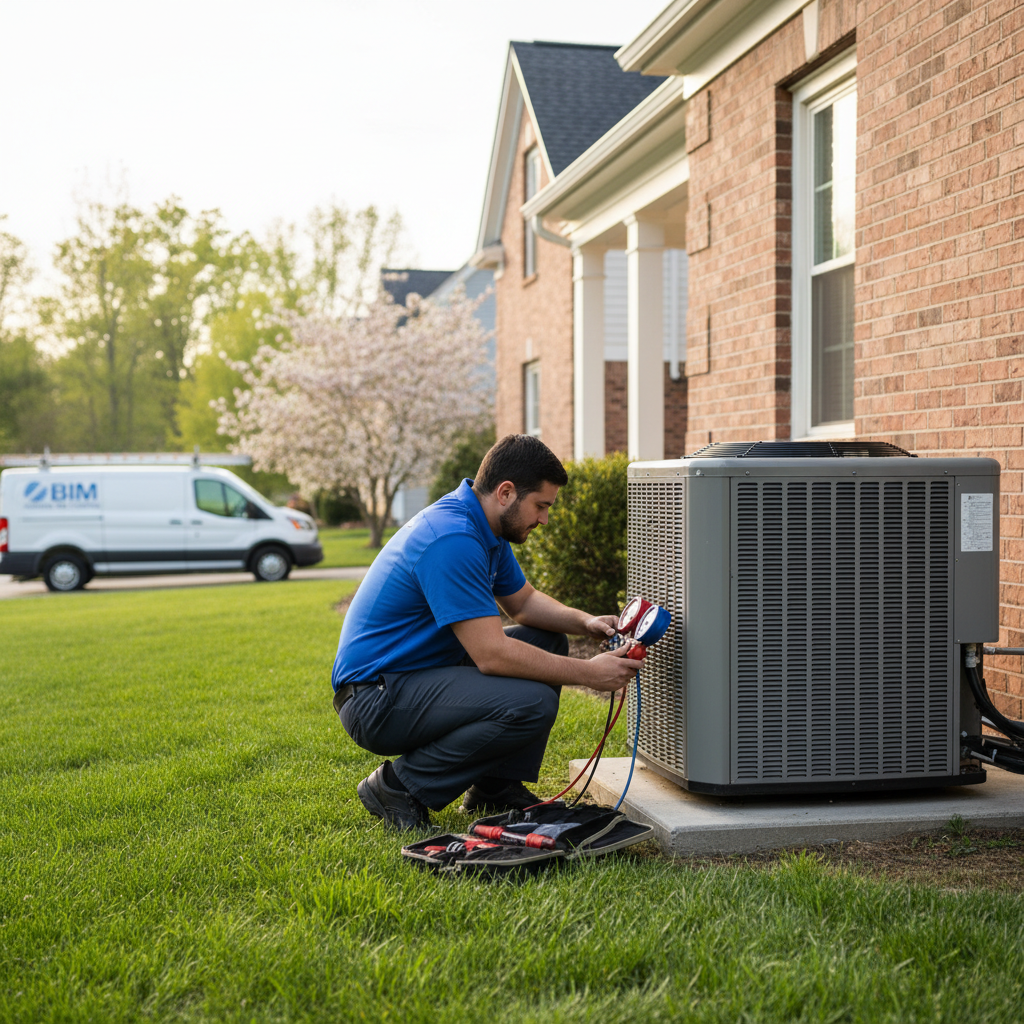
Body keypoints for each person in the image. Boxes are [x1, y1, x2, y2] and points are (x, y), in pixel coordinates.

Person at [331, 433, 639, 829]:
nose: (545, 519)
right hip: (375, 698)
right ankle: (398, 787)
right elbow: (492, 656)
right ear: (507, 492)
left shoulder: (482, 526)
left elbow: (523, 604)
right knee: (531, 702)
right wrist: (590, 674)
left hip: (412, 675)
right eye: (541, 505)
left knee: (547, 639)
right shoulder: (453, 538)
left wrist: (585, 621)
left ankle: (495, 787)